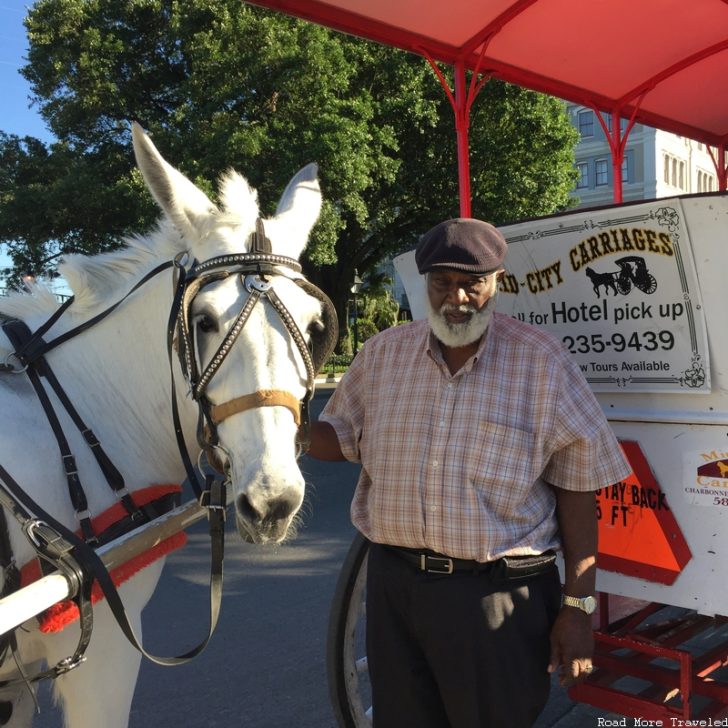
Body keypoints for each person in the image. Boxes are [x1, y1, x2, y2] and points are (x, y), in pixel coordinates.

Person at [308, 218, 632, 728]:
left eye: (471, 283)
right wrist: (272, 425)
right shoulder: (382, 356)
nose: (456, 298)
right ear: (425, 283)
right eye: (442, 283)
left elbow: (577, 490)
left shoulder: (540, 362)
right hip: (396, 594)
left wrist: (578, 606)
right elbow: (340, 438)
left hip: (496, 601)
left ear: (496, 281)